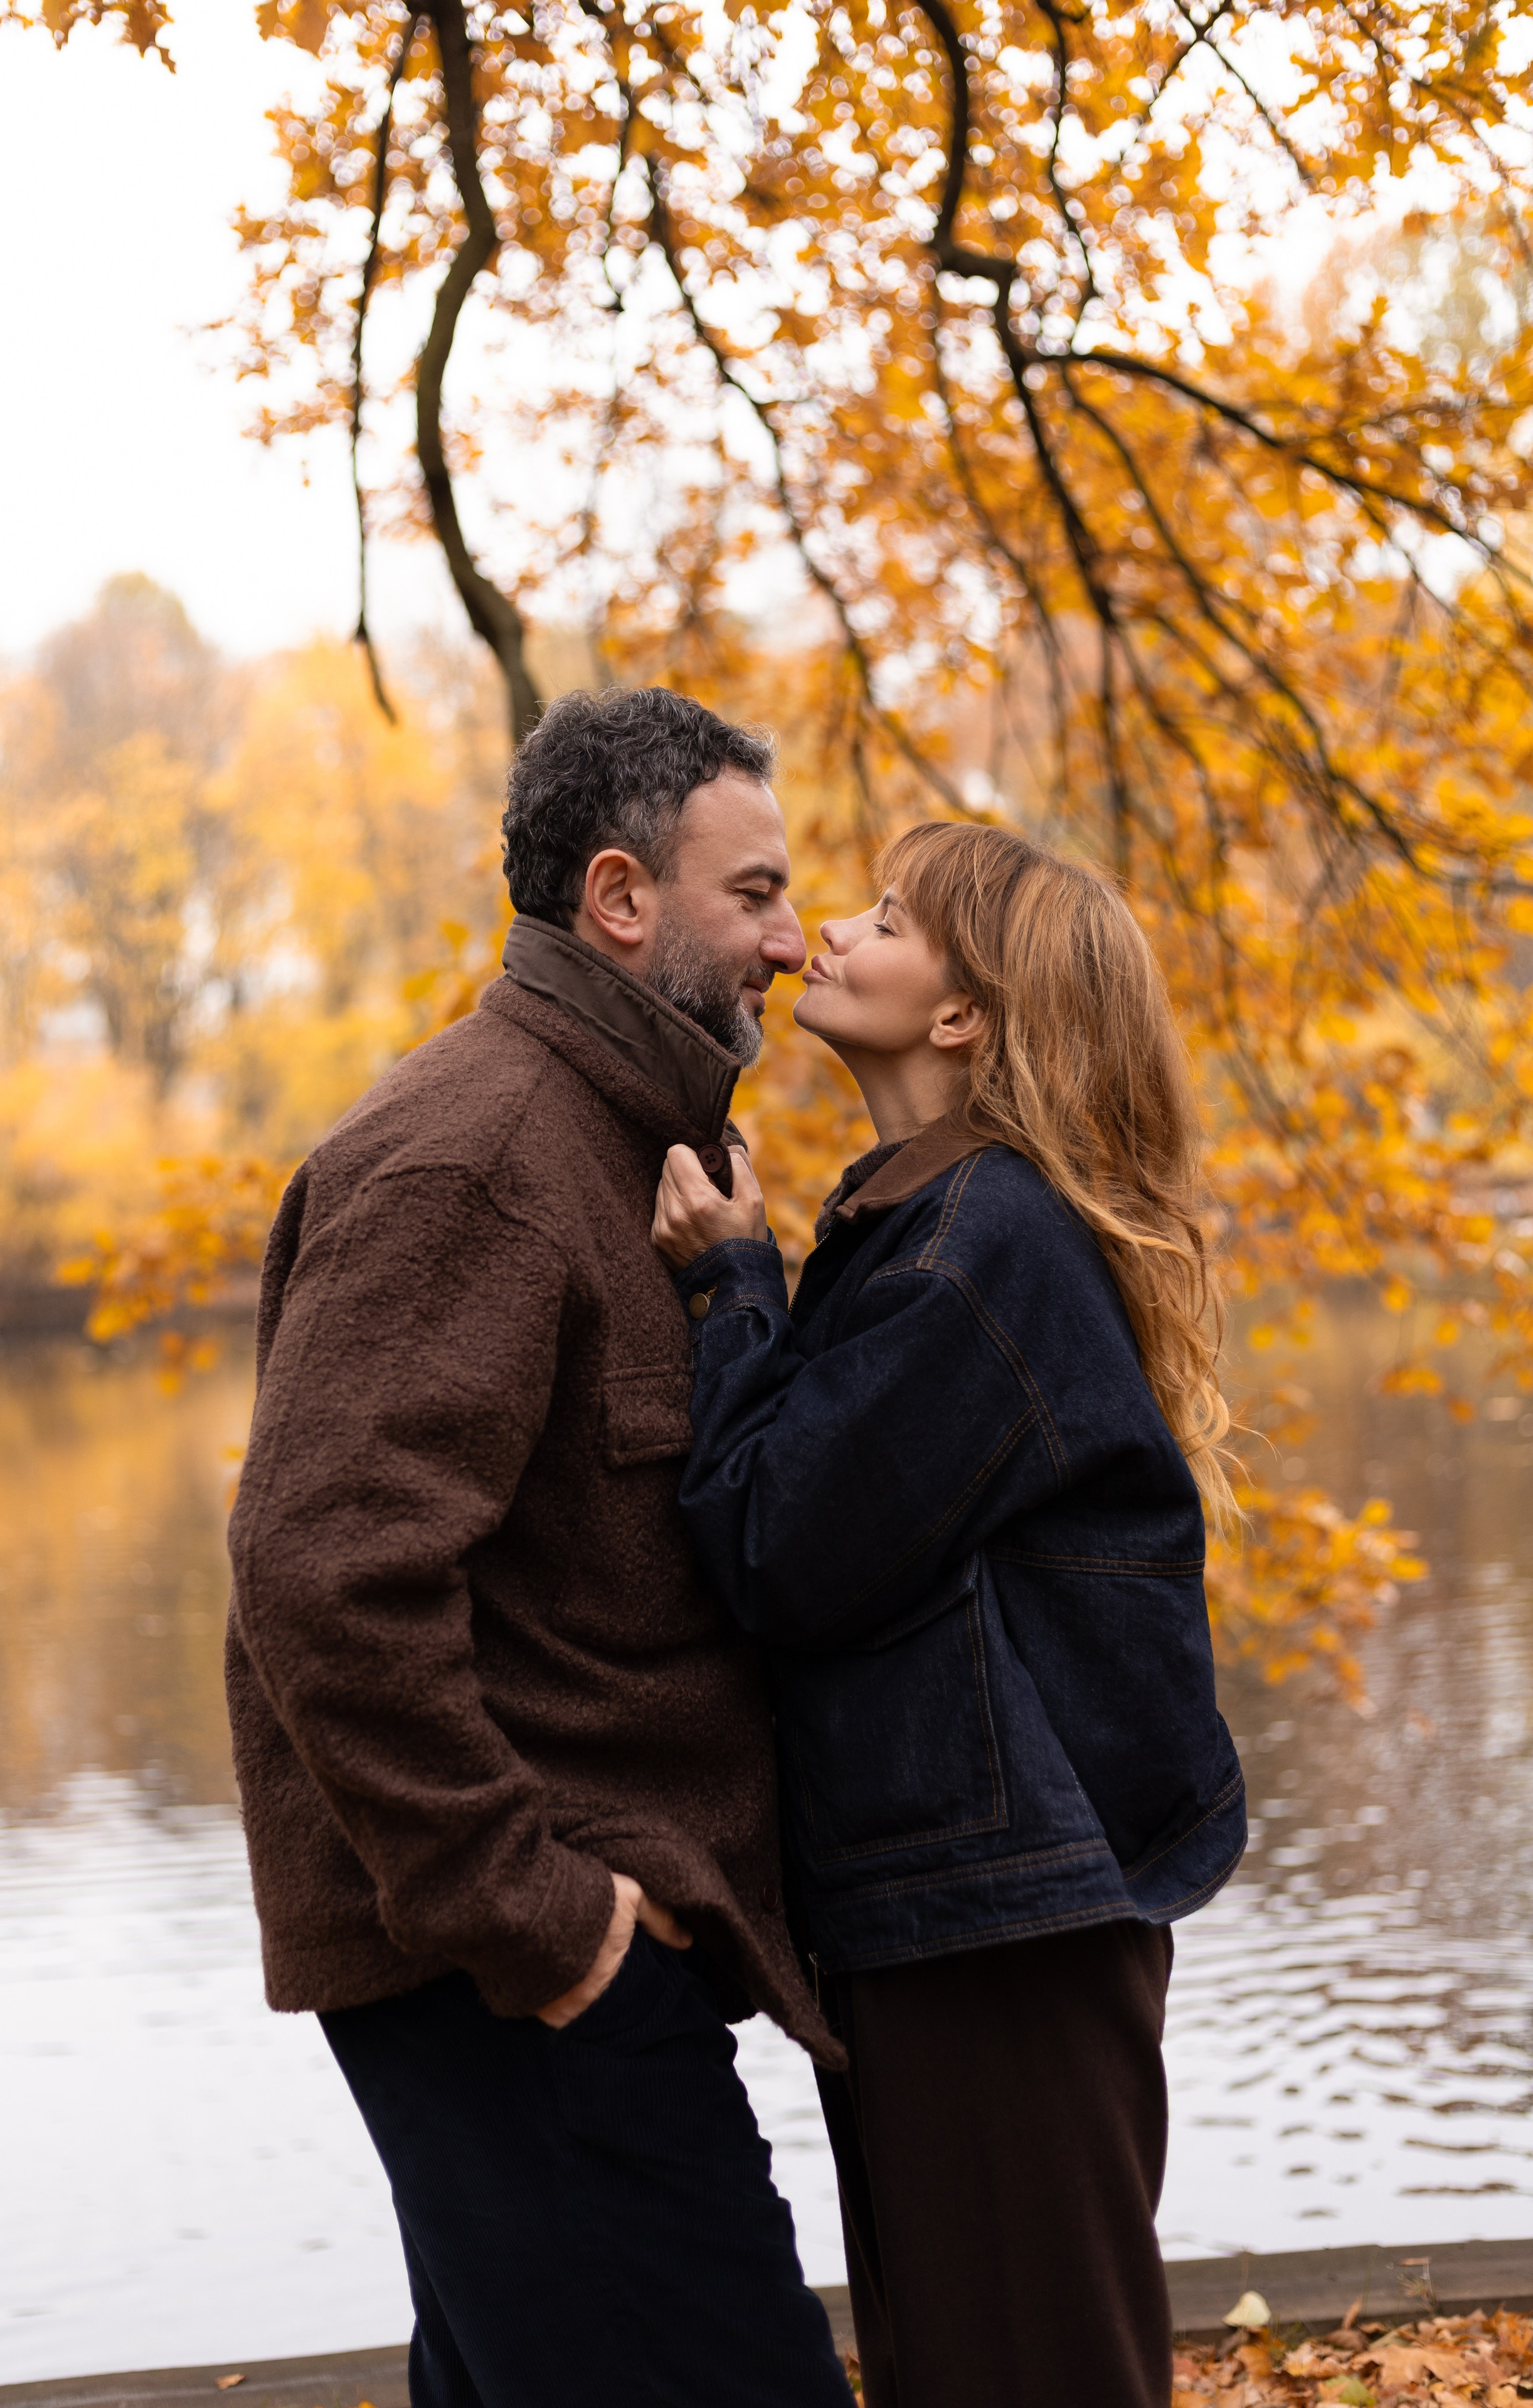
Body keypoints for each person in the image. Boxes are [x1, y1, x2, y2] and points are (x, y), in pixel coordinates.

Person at [225, 687, 854, 2408]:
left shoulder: (622, 1143)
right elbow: (321, 1573)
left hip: (545, 1972)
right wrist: (548, 1924)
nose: (794, 944)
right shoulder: (478, 1155)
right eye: (759, 894)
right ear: (621, 897)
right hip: (514, 1976)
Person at [652, 819, 1248, 2408]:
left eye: (889, 921)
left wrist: (730, 1290)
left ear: (961, 1015)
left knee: (1025, 2368)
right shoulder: (923, 1224)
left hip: (1007, 1924)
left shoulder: (986, 1244)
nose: (824, 934)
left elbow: (783, 1544)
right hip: (963, 1913)